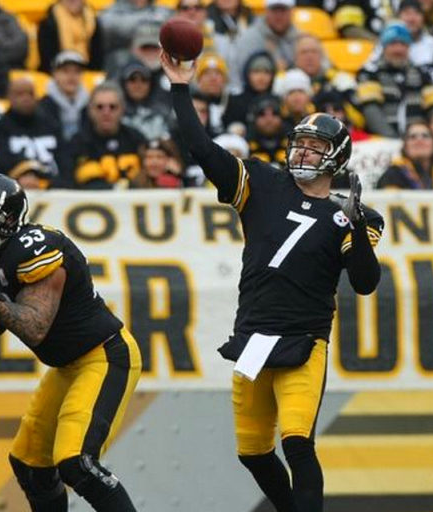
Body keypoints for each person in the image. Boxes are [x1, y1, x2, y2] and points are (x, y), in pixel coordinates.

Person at [162, 48, 384, 512]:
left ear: (337, 156)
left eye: (315, 147)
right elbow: (202, 148)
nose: (303, 152)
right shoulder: (261, 183)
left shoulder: (351, 216)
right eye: (299, 143)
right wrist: (181, 87)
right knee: (252, 453)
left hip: (304, 340)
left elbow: (364, 283)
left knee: (298, 444)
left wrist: (355, 226)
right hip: (254, 336)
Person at [0, 173, 143, 511]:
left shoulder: (34, 247)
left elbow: (34, 328)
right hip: (68, 366)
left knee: (77, 462)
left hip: (103, 356)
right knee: (30, 464)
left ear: (4, 218)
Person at [68, 82, 147, 188]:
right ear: (90, 110)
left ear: (122, 109)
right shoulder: (77, 143)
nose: (106, 112)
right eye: (100, 107)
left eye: (113, 107)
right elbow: (67, 184)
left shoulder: (136, 139)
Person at [377, 121, 433, 189]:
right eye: (412, 137)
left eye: (425, 136)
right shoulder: (392, 175)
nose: (419, 140)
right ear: (405, 146)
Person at [37, 0, 104, 72]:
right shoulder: (48, 23)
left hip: (88, 72)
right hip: (56, 74)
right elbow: (47, 60)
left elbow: (98, 57)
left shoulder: (93, 21)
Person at [38, 51, 90, 141]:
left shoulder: (91, 105)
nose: (71, 76)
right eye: (65, 71)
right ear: (54, 74)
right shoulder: (42, 107)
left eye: (77, 71)